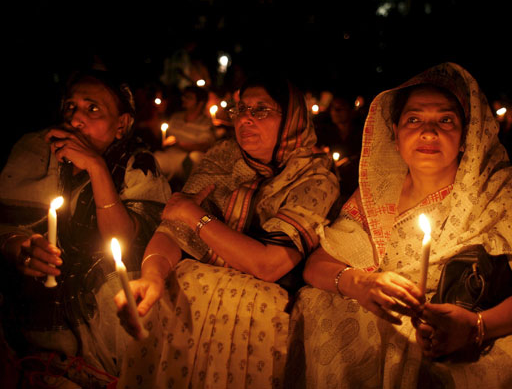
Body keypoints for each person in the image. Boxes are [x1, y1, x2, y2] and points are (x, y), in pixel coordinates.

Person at [287, 62, 512, 388]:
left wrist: (476, 326)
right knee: (321, 303)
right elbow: (319, 263)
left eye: (445, 120)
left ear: (465, 136)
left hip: (478, 339)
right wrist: (359, 283)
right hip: (380, 336)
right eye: (413, 119)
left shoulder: (503, 191)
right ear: (395, 134)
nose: (429, 132)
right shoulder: (377, 196)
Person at [115, 74, 339, 388]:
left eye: (261, 110)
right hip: (191, 298)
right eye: (240, 109)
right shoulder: (223, 156)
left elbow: (269, 264)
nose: (245, 118)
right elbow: (171, 228)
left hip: (259, 316)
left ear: (292, 119)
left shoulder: (316, 176)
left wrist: (197, 217)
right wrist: (152, 273)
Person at [0, 69, 171, 386]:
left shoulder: (137, 163)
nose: (76, 119)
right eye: (70, 107)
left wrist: (96, 166)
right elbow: (6, 228)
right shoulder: (35, 150)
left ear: (121, 124)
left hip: (102, 320)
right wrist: (19, 249)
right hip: (31, 313)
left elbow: (125, 241)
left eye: (93, 108)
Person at [154, 86, 216, 189]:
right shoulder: (176, 117)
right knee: (153, 159)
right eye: (184, 96)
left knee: (196, 157)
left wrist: (179, 144)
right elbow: (165, 139)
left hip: (188, 159)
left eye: (189, 97)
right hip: (171, 155)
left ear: (200, 103)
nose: (184, 99)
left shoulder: (205, 123)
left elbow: (204, 146)